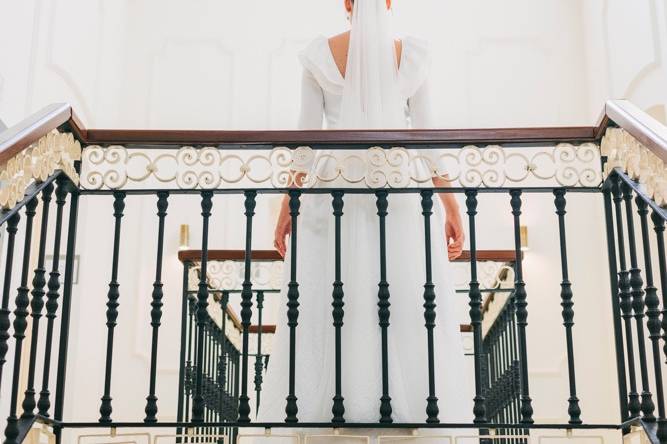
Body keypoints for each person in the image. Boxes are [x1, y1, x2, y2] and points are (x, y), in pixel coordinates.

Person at [244, 0, 471, 441]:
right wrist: (450, 205)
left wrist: (286, 206)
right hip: (400, 195)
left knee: (332, 294)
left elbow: (305, 141)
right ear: (389, 3)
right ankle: (405, 405)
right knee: (403, 293)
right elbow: (427, 139)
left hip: (334, 193)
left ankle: (335, 404)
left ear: (345, 4)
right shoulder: (413, 56)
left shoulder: (319, 55)